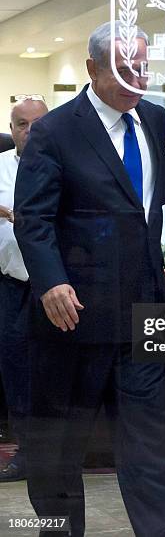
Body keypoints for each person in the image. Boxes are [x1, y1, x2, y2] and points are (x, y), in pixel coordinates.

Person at [14, 22, 165, 537]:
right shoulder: (55, 131)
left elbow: (142, 206)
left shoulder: (154, 119)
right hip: (74, 317)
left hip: (143, 314)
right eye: (123, 66)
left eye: (143, 65)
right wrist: (50, 282)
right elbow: (34, 217)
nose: (137, 77)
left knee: (152, 443)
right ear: (92, 69)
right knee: (62, 447)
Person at [0, 96, 48, 481]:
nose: (28, 131)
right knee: (16, 374)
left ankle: (60, 454)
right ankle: (26, 455)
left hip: (55, 288)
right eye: (20, 124)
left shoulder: (67, 164)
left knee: (56, 373)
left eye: (36, 123)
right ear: (11, 129)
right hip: (11, 287)